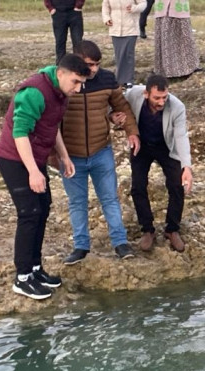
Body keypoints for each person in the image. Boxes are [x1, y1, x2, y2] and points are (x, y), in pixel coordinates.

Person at [0, 54, 90, 300]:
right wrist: (33, 172)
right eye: (76, 82)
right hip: (15, 158)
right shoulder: (35, 92)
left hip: (35, 158)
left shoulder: (60, 92)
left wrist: (64, 156)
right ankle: (22, 277)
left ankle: (35, 268)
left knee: (43, 207)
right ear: (61, 74)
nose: (78, 89)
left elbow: (51, 125)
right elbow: (20, 133)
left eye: (82, 84)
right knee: (29, 213)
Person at [59, 40, 139, 265]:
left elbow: (121, 106)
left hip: (101, 150)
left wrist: (131, 131)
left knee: (110, 199)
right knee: (77, 202)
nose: (93, 70)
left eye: (97, 64)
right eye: (89, 65)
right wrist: (54, 157)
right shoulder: (64, 82)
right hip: (71, 156)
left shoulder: (106, 79)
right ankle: (81, 247)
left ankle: (120, 243)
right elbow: (48, 117)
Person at [119, 74, 192, 252]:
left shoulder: (177, 107)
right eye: (156, 98)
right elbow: (118, 105)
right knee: (137, 186)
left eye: (164, 97)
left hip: (166, 147)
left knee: (176, 185)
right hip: (141, 145)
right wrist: (124, 125)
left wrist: (187, 167)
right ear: (146, 94)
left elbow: (181, 136)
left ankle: (172, 229)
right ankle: (147, 229)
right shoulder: (133, 94)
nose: (161, 102)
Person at [102, 0, 146, 87]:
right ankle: (119, 80)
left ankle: (129, 80)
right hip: (115, 28)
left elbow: (143, 4)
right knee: (119, 55)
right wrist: (106, 19)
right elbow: (105, 6)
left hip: (131, 28)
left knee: (128, 55)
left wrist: (134, 8)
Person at [152, 0, 200, 78]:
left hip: (179, 8)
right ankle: (168, 71)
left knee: (185, 38)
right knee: (166, 41)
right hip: (164, 9)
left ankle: (190, 66)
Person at [45, 0, 84, 64]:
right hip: (58, 12)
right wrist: (50, 8)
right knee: (60, 40)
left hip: (74, 12)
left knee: (77, 40)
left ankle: (79, 63)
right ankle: (60, 65)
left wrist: (79, 5)